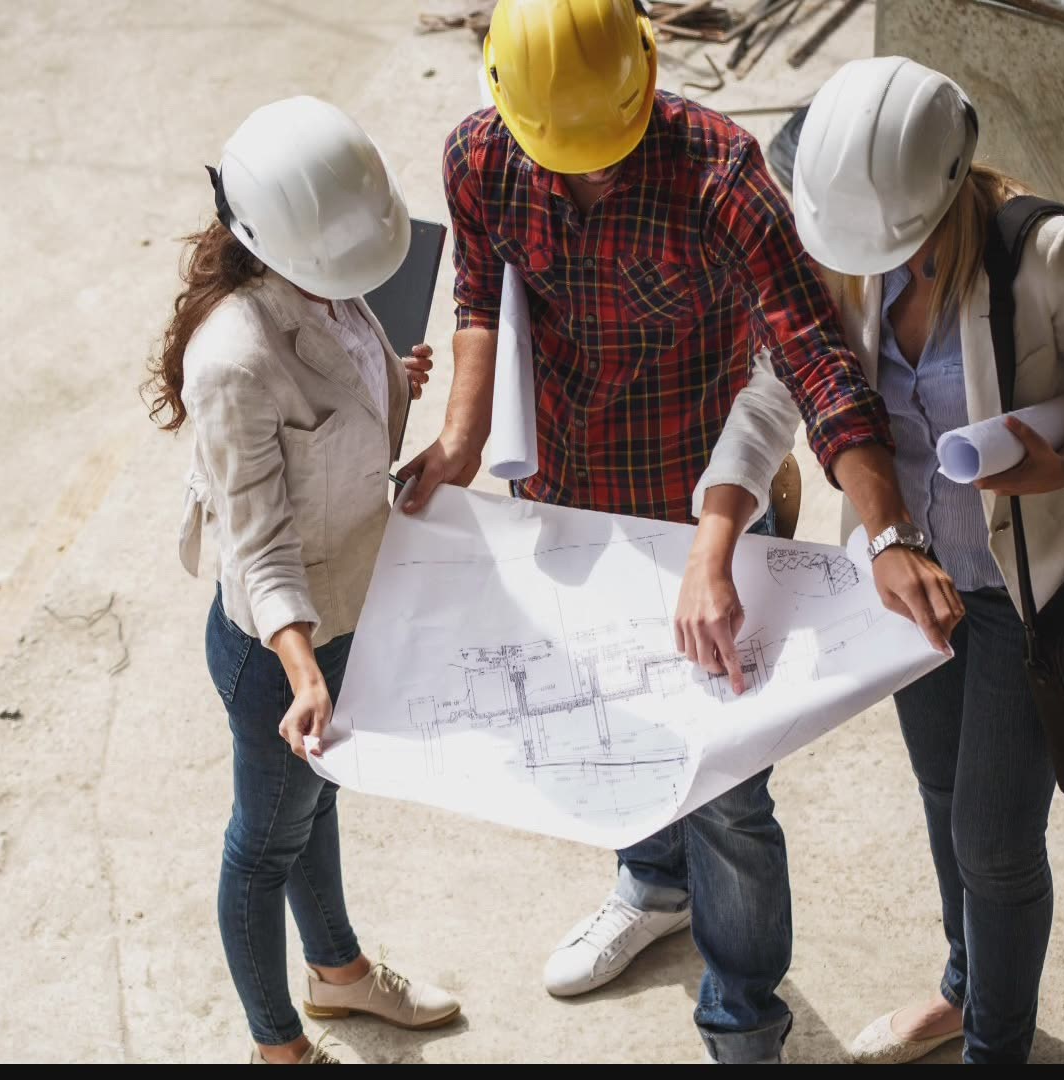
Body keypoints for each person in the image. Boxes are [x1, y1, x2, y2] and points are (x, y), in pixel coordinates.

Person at [398, 0, 964, 1063]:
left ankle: (743, 1021)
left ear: (649, 82)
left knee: (729, 789)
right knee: (615, 726)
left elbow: (816, 356)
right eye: (563, 161)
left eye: (603, 160)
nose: (584, 182)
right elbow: (480, 295)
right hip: (567, 497)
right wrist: (462, 439)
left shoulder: (724, 175)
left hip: (704, 512)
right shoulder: (482, 156)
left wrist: (886, 533)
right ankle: (652, 887)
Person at [780, 57, 1064, 1063]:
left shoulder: (1044, 255)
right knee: (946, 798)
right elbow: (804, 383)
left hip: (1024, 592)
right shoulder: (845, 246)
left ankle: (996, 1048)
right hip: (913, 578)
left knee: (995, 844)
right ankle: (966, 983)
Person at [143, 95, 458, 1065]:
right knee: (264, 844)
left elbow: (341, 403)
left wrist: (393, 380)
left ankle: (338, 974)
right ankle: (277, 1049)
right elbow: (259, 542)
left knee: (313, 808)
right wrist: (306, 672)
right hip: (280, 653)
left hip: (350, 608)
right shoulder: (234, 360)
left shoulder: (335, 270)